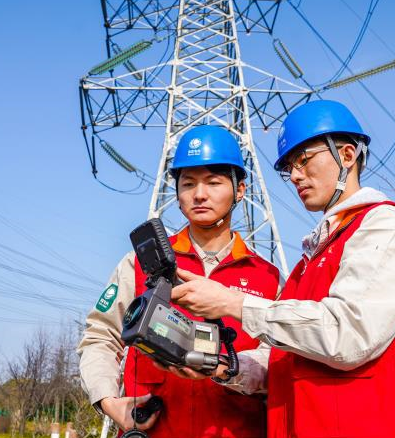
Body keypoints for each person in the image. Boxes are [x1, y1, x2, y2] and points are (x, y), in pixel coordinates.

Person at [166, 100, 395, 438]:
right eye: (290, 166)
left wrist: (234, 304)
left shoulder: (385, 225)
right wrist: (225, 367)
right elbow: (287, 362)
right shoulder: (311, 259)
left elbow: (347, 334)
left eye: (305, 160)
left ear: (348, 155)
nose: (294, 175)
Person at [78, 125, 281, 438]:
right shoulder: (139, 264)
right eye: (188, 183)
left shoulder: (268, 277)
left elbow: (279, 363)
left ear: (240, 189)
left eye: (213, 182)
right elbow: (100, 337)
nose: (199, 194)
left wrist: (229, 367)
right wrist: (109, 401)